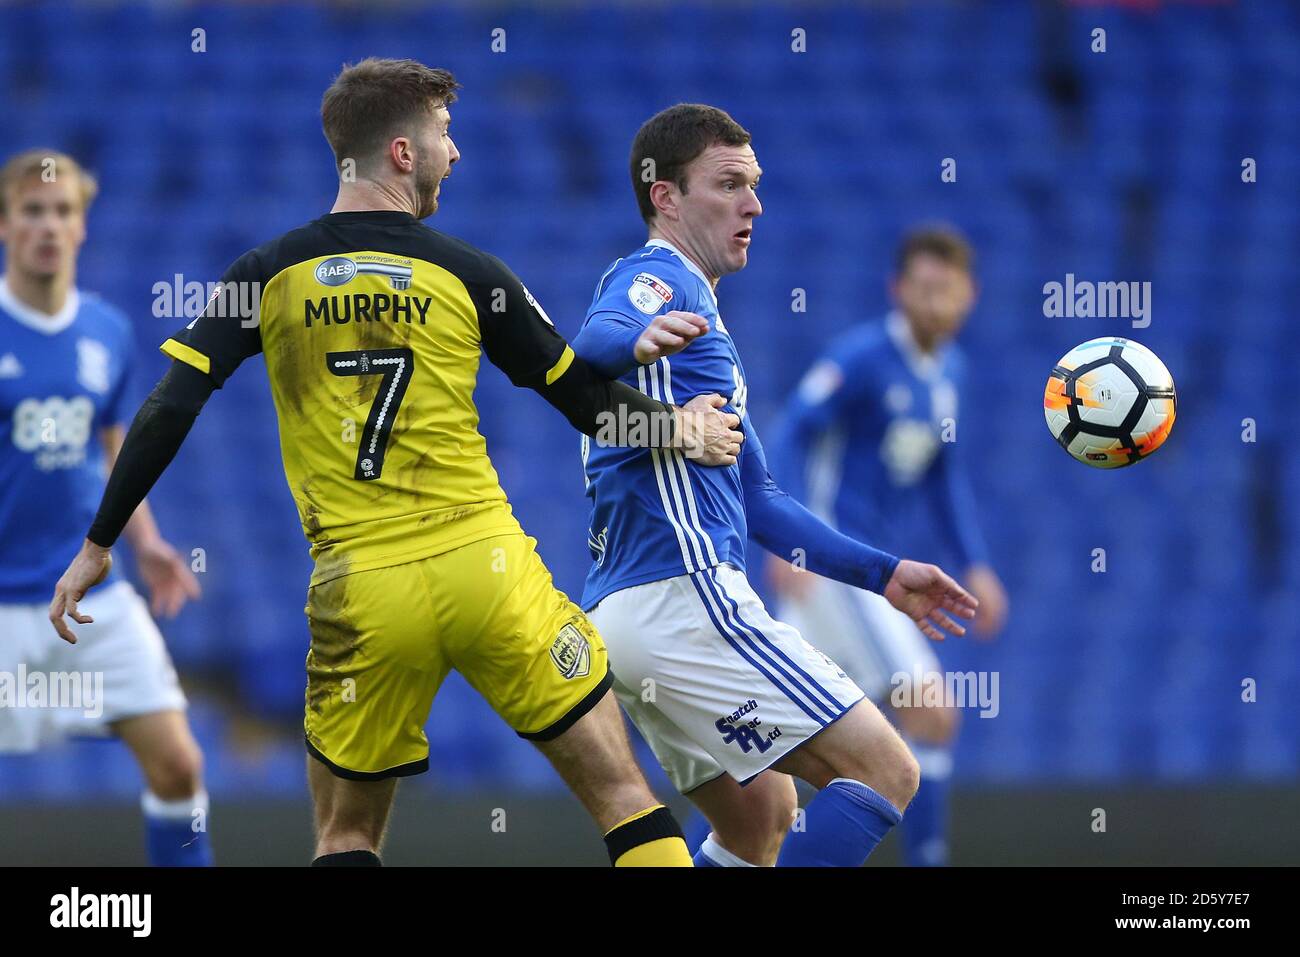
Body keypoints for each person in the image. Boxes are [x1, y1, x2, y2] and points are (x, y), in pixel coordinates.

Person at [49, 60, 742, 867]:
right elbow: (588, 404)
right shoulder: (473, 274)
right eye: (446, 133)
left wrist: (100, 542)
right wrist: (680, 430)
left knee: (345, 836)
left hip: (362, 589)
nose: (458, 153)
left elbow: (170, 405)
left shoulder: (264, 274)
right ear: (404, 153)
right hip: (487, 569)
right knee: (625, 797)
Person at [572, 104, 978, 867]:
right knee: (888, 769)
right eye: (729, 184)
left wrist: (885, 574)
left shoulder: (706, 334)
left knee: (760, 817)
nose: (754, 203)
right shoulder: (657, 277)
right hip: (685, 596)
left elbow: (760, 500)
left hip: (627, 620)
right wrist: (629, 338)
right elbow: (588, 343)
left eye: (755, 185)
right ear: (665, 197)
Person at [768, 226, 1010, 866]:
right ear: (897, 290)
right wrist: (785, 537)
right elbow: (790, 432)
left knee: (775, 748)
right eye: (923, 288)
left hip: (867, 572)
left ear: (970, 296)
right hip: (838, 566)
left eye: (947, 290)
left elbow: (943, 476)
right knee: (931, 713)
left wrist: (977, 564)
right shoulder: (861, 357)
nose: (935, 302)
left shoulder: (951, 372)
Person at [0, 148, 209, 866]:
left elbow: (117, 451)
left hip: (89, 594)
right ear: (5, 225)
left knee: (179, 764)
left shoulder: (107, 332)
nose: (48, 225)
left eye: (63, 211)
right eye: (32, 210)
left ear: (83, 226)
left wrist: (146, 541)